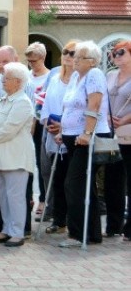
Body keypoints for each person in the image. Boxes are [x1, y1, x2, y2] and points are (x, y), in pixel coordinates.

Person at [56, 41, 110, 248]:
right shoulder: (76, 76)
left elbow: (94, 105)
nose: (74, 60)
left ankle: (77, 233)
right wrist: (62, 130)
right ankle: (93, 233)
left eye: (80, 57)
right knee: (86, 186)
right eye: (75, 56)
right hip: (71, 137)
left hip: (87, 138)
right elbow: (68, 105)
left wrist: (87, 132)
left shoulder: (94, 75)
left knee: (74, 184)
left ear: (93, 61)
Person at [0, 45, 36, 237]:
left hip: (15, 157)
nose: (2, 80)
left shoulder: (22, 102)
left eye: (7, 78)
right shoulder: (3, 100)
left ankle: (17, 232)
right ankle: (6, 228)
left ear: (18, 82)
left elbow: (9, 129)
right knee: (3, 195)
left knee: (16, 196)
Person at [40, 40, 78, 235]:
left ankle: (73, 221)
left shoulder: (81, 80)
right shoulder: (55, 79)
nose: (67, 56)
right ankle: (59, 219)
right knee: (56, 180)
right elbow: (46, 104)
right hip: (53, 133)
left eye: (72, 53)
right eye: (65, 52)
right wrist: (48, 123)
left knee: (70, 182)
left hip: (72, 136)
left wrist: (63, 126)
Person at [105, 39, 131, 241]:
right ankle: (114, 225)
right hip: (111, 131)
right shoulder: (110, 75)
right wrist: (107, 117)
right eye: (114, 53)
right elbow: (103, 100)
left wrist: (124, 119)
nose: (116, 56)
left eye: (121, 52)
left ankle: (129, 228)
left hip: (128, 130)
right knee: (112, 180)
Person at [26, 42, 51, 218]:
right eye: (29, 61)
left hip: (42, 124)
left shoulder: (50, 78)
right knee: (27, 162)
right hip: (26, 123)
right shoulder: (26, 77)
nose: (31, 64)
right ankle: (28, 198)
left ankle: (43, 199)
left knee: (43, 164)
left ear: (42, 58)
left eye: (34, 61)